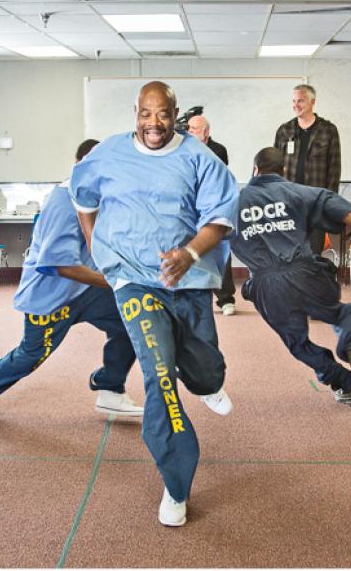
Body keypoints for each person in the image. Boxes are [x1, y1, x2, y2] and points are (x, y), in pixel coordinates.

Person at [70, 81, 238, 527]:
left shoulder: (200, 158)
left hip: (190, 282)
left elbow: (221, 218)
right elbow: (82, 196)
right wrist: (96, 243)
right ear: (135, 113)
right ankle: (176, 482)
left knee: (204, 369)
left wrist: (188, 254)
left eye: (162, 114)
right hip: (133, 281)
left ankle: (208, 383)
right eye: (146, 114)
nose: (153, 124)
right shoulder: (107, 154)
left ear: (175, 114)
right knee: (159, 372)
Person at [0, 140, 143, 422]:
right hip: (50, 295)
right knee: (30, 356)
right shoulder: (64, 200)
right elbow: (61, 265)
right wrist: (114, 281)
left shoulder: (100, 195)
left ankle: (109, 386)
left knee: (131, 319)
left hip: (86, 290)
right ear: (78, 165)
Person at [230, 147, 351, 407]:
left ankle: (346, 383)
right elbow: (344, 212)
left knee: (298, 344)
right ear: (284, 171)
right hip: (307, 274)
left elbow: (206, 232)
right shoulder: (298, 192)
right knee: (348, 312)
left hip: (267, 287)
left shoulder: (233, 202)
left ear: (255, 170)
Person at [274, 84, 341, 255]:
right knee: (288, 252)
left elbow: (334, 169)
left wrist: (329, 202)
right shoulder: (284, 130)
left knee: (313, 252)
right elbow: (274, 166)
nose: (296, 105)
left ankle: (310, 282)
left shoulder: (328, 130)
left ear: (312, 102)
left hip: (316, 202)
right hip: (288, 202)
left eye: (301, 101)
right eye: (294, 101)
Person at [187, 114, 237, 316]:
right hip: (191, 208)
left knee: (220, 250)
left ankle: (226, 299)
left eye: (193, 129)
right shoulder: (184, 149)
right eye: (188, 128)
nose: (189, 132)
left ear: (205, 132)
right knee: (191, 249)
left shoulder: (218, 150)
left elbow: (214, 177)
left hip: (213, 207)